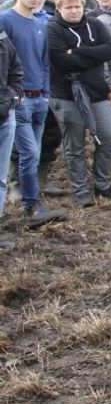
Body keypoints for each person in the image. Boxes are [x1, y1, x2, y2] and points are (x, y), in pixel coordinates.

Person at [0, 0, 64, 228]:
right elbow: (7, 64)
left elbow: (44, 61)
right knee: (28, 152)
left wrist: (46, 93)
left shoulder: (42, 23)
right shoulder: (5, 21)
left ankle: (30, 201)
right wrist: (15, 97)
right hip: (19, 100)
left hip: (40, 98)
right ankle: (31, 204)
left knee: (34, 154)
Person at [46, 0, 111, 206]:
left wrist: (78, 52)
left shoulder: (94, 24)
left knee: (108, 137)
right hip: (66, 94)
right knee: (74, 144)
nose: (74, 11)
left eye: (77, 6)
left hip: (97, 93)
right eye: (68, 7)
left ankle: (103, 183)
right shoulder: (53, 29)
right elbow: (60, 60)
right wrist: (92, 55)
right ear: (59, 8)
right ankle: (81, 190)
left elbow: (110, 50)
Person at [0, 26, 23, 250]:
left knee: (0, 179)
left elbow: (16, 71)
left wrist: (13, 97)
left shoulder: (3, 36)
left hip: (5, 116)